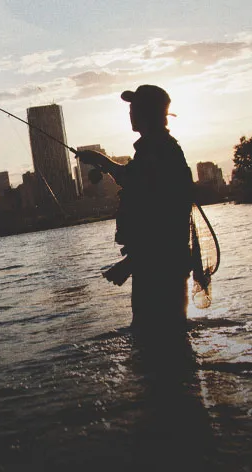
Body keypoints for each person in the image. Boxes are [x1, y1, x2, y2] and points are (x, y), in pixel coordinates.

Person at [77, 85, 194, 332]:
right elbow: (132, 179)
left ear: (146, 113)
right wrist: (100, 159)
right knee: (166, 336)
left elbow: (164, 217)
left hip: (160, 265)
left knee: (154, 335)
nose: (130, 114)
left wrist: (133, 263)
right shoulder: (158, 148)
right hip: (161, 261)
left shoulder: (158, 150)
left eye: (134, 108)